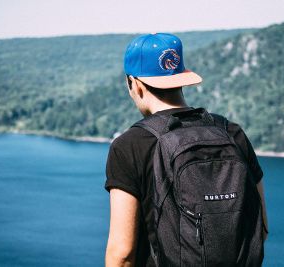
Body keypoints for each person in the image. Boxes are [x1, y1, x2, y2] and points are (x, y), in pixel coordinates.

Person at [104, 33, 268, 267]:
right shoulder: (232, 133)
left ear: (135, 85)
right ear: (181, 79)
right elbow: (260, 229)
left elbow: (122, 255)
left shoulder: (129, 146)